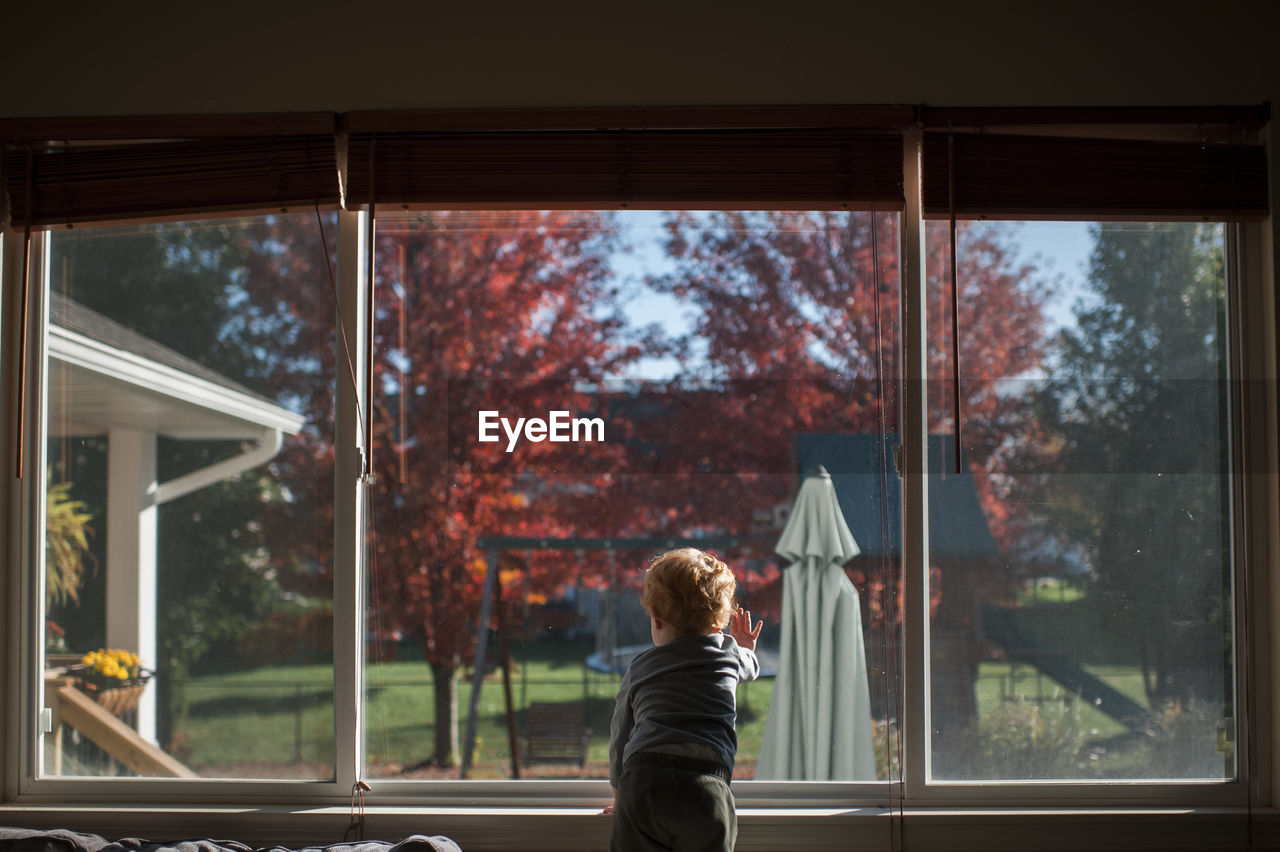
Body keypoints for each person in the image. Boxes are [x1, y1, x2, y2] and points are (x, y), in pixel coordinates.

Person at [604, 548, 764, 852]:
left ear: (658, 620)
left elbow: (620, 733)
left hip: (644, 780)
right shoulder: (729, 655)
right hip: (705, 784)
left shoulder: (641, 667)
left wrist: (620, 793)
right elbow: (751, 667)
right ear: (717, 624)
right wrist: (745, 647)